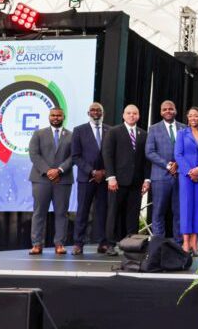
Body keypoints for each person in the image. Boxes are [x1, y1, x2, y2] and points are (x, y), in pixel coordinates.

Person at [101, 105, 150, 256]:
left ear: (138, 116)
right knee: (113, 213)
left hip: (136, 181)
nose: (131, 115)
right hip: (117, 181)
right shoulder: (114, 132)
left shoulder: (143, 134)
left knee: (133, 214)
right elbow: (107, 155)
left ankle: (131, 245)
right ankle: (110, 244)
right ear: (123, 115)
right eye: (129, 113)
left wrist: (147, 179)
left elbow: (146, 159)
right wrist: (111, 177)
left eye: (134, 113)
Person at [27, 107, 74, 255]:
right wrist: (48, 171)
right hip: (41, 179)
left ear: (63, 117)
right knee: (39, 212)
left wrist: (59, 170)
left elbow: (74, 156)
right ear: (49, 117)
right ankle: (36, 244)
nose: (55, 118)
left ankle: (60, 244)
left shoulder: (72, 135)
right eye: (53, 115)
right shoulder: (38, 134)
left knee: (61, 213)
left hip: (63, 179)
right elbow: (34, 154)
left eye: (58, 115)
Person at [71, 102, 111, 255]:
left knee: (102, 211)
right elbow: (75, 156)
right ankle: (78, 243)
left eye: (98, 110)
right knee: (82, 211)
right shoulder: (79, 130)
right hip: (86, 178)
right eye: (93, 110)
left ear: (103, 113)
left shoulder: (110, 130)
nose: (96, 112)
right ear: (88, 113)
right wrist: (92, 172)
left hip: (105, 179)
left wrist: (104, 172)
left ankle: (103, 243)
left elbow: (114, 155)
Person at [145, 100, 187, 239]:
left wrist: (178, 164)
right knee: (158, 211)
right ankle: (158, 243)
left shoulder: (184, 128)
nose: (168, 111)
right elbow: (149, 152)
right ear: (161, 112)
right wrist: (168, 165)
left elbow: (188, 151)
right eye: (165, 109)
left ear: (175, 110)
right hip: (160, 176)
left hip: (180, 176)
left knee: (179, 211)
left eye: (170, 108)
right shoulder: (153, 129)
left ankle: (179, 243)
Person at [175, 107, 198, 256]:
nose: (193, 118)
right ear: (187, 118)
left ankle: (195, 244)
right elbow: (178, 154)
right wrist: (190, 171)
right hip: (186, 176)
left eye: (196, 116)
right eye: (191, 116)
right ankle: (186, 243)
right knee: (186, 208)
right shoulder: (182, 133)